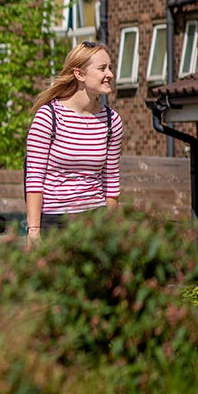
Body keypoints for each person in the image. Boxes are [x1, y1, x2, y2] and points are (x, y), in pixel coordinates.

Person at [24, 41, 123, 245]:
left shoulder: (112, 121)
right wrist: (34, 231)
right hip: (55, 221)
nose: (110, 74)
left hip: (95, 220)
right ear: (80, 74)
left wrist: (112, 229)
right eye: (102, 68)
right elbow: (34, 178)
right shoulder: (48, 117)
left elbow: (111, 181)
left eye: (110, 67)